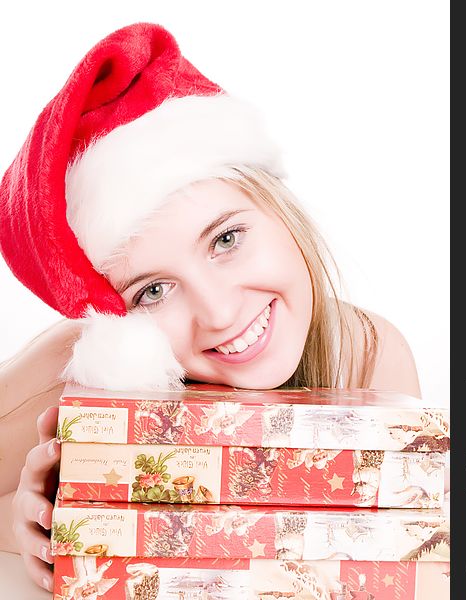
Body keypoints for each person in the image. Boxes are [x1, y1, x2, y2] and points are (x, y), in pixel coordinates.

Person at [0, 23, 420, 592]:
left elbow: (403, 537)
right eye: (152, 290)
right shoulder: (65, 378)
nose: (221, 314)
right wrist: (26, 520)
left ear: (281, 211)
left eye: (226, 239)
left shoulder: (369, 358)